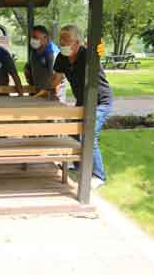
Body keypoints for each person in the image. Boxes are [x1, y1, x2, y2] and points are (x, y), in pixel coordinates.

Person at [51, 24, 111, 190]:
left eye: (66, 41)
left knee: (88, 135)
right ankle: (80, 168)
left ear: (77, 42)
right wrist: (49, 92)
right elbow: (56, 78)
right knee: (74, 134)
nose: (62, 44)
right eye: (61, 40)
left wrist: (99, 48)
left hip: (99, 102)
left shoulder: (88, 55)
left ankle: (98, 176)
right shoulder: (62, 57)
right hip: (82, 101)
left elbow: (98, 51)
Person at [24, 25, 67, 103]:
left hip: (52, 94)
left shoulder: (52, 54)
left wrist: (53, 95)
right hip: (38, 91)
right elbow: (29, 68)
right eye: (32, 37)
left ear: (46, 38)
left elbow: (57, 78)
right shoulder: (34, 51)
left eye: (35, 37)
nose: (33, 40)